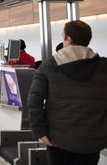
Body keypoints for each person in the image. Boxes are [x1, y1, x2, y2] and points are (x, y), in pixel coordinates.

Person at [28, 20, 107, 165]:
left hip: (58, 139)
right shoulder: (103, 67)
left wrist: (39, 131)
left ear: (68, 39)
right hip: (92, 140)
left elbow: (34, 100)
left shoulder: (48, 66)